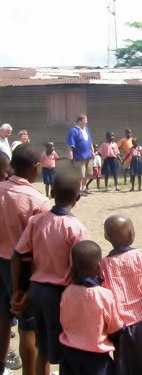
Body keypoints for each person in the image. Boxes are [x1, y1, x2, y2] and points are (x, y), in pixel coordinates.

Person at [12, 172, 88, 374]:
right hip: (60, 295)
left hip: (36, 291)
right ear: (78, 197)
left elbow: (18, 254)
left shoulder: (36, 221)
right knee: (66, 346)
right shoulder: (76, 228)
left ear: (51, 192)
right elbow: (80, 269)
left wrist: (18, 289)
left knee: (42, 347)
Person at [0, 144, 50, 375]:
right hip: (23, 269)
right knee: (28, 328)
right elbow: (41, 246)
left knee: (2, 320)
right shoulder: (38, 201)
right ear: (36, 168)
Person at [101, 215, 142, 375]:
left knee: (126, 368)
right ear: (132, 234)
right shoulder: (141, 255)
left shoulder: (104, 265)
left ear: (106, 237)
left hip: (121, 328)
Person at [59, 240, 124, 375]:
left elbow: (63, 321)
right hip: (96, 359)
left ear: (72, 268)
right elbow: (115, 326)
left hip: (70, 355)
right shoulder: (104, 295)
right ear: (99, 266)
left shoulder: (67, 292)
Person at [66, 114, 94, 196]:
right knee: (80, 174)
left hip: (88, 155)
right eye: (85, 120)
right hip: (79, 155)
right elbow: (70, 143)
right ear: (80, 121)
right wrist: (70, 153)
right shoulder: (73, 130)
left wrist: (92, 150)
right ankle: (77, 191)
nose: (86, 122)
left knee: (87, 173)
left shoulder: (86, 130)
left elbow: (90, 140)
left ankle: (84, 188)